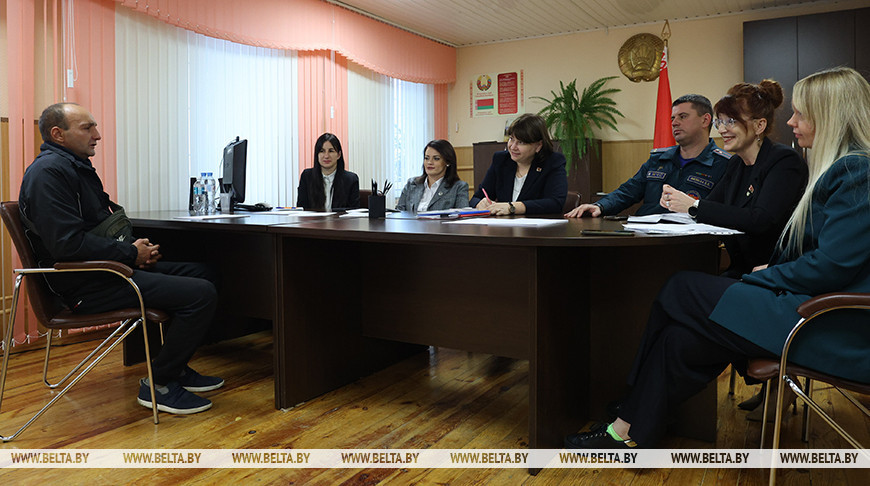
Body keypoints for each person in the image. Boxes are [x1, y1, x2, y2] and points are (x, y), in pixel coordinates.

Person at [564, 66, 870, 450]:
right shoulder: (839, 168)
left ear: (831, 116)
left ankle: (629, 404)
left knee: (680, 287)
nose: (791, 122)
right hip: (806, 304)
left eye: (800, 113)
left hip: (827, 321)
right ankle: (627, 430)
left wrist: (762, 275)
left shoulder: (855, 170)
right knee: (680, 339)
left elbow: (831, 266)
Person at [19, 102, 223, 415]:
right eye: (87, 128)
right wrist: (130, 254)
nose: (97, 135)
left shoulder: (74, 167)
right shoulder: (48, 174)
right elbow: (67, 245)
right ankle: (160, 383)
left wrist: (134, 250)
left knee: (203, 273)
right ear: (58, 134)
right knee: (201, 293)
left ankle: (176, 367)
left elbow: (96, 227)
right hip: (83, 285)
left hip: (102, 271)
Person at [660, 81, 808, 278]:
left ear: (759, 125)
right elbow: (712, 205)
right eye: (719, 122)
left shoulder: (784, 161)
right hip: (741, 269)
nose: (722, 129)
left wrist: (693, 205)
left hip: (772, 271)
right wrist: (678, 203)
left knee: (680, 283)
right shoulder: (736, 164)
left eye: (731, 121)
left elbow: (761, 220)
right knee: (676, 278)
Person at [565, 94, 730, 218]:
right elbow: (628, 191)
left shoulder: (724, 164)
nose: (674, 123)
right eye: (672, 118)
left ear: (705, 120)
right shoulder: (659, 159)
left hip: (690, 242)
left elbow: (724, 212)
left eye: (683, 116)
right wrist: (600, 206)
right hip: (645, 235)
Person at [469, 113, 567, 215]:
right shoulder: (501, 160)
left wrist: (513, 207)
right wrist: (480, 203)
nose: (512, 147)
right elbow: (476, 198)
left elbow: (556, 203)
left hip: (537, 224)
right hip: (504, 224)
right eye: (511, 139)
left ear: (538, 145)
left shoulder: (552, 162)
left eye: (521, 142)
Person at [396, 140, 469, 212]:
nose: (429, 162)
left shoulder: (459, 187)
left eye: (436, 158)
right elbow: (399, 212)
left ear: (447, 162)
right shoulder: (412, 184)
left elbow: (462, 215)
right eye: (426, 158)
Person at [297, 133, 360, 211]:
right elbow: (302, 209)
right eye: (322, 151)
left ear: (339, 155)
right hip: (313, 219)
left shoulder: (351, 180)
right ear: (317, 155)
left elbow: (353, 211)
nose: (326, 156)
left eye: (331, 151)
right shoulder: (307, 177)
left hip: (340, 219)